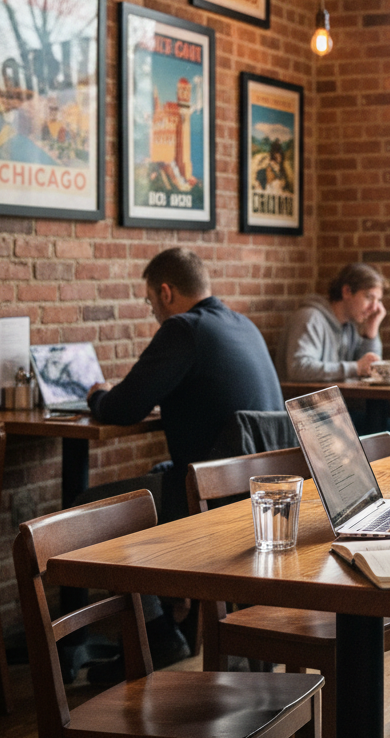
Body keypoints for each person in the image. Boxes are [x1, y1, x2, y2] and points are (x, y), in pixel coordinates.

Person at [82, 247, 285, 682]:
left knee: (91, 507)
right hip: (253, 495)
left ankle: (156, 633)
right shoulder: (242, 324)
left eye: (150, 301)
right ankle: (166, 618)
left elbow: (123, 407)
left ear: (166, 291)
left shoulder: (182, 329)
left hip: (213, 497)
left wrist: (96, 395)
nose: (152, 310)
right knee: (155, 478)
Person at [276, 262, 390, 447]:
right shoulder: (310, 318)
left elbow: (369, 367)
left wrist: (371, 331)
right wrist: (355, 367)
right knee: (380, 437)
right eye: (369, 297)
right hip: (304, 417)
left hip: (330, 413)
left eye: (378, 301)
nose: (374, 308)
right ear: (346, 291)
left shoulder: (349, 327)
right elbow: (298, 368)